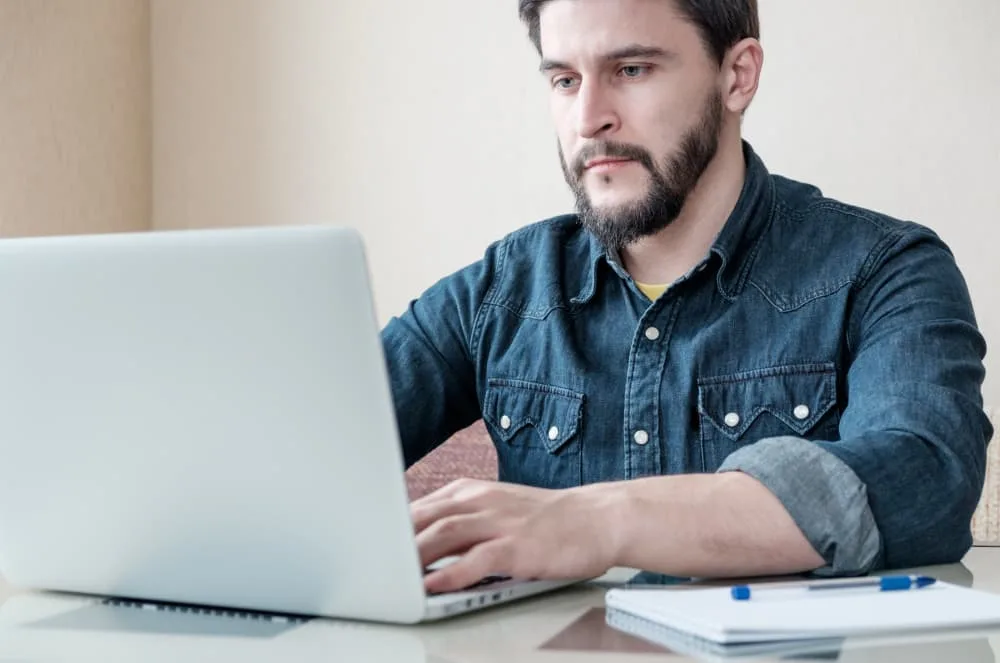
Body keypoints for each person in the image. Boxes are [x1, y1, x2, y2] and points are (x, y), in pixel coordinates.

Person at [380, 0, 993, 595]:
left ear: (737, 75)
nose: (589, 117)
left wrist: (598, 521)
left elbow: (923, 478)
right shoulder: (499, 291)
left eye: (632, 70)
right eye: (565, 79)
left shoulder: (886, 270)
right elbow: (311, 451)